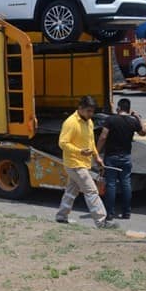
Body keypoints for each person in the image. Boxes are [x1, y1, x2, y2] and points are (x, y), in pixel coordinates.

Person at [55, 95, 116, 229]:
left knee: (71, 190)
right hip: (74, 163)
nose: (91, 114)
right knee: (92, 191)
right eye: (88, 111)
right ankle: (102, 221)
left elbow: (91, 141)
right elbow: (62, 143)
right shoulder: (71, 122)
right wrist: (79, 151)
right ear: (80, 108)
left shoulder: (88, 121)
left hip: (83, 162)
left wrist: (97, 156)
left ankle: (61, 216)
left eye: (92, 111)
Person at [97, 98, 146, 220]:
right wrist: (138, 117)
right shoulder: (133, 121)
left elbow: (103, 137)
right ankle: (126, 212)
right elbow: (143, 132)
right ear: (129, 109)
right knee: (126, 183)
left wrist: (96, 152)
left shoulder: (111, 120)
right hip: (126, 157)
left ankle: (110, 213)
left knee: (111, 184)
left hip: (111, 157)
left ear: (118, 108)